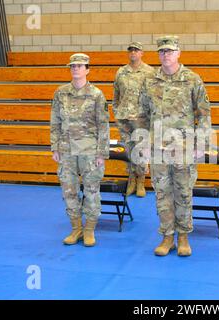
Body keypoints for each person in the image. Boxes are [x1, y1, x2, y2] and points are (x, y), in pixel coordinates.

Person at [139, 35, 211, 257]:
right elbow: (142, 115)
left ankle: (183, 237)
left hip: (184, 149)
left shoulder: (192, 79)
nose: (166, 55)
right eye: (162, 51)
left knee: (183, 193)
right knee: (162, 193)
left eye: (170, 51)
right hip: (158, 149)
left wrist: (201, 143)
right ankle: (167, 236)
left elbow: (204, 113)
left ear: (179, 53)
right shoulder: (149, 80)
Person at [50, 53, 110, 247]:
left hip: (90, 151)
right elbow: (55, 121)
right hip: (66, 150)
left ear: (87, 69)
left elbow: (103, 125)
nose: (75, 69)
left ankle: (90, 229)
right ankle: (76, 228)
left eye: (79, 66)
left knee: (91, 190)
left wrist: (102, 153)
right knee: (69, 190)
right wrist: (55, 146)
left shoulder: (96, 94)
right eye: (72, 66)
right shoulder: (61, 93)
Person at [113, 42, 155, 197]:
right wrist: (117, 112)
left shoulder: (150, 72)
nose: (133, 53)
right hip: (124, 119)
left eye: (136, 50)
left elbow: (154, 97)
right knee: (129, 150)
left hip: (142, 119)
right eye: (130, 50)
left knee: (142, 150)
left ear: (142, 53)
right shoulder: (121, 72)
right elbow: (116, 95)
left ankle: (141, 182)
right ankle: (131, 180)